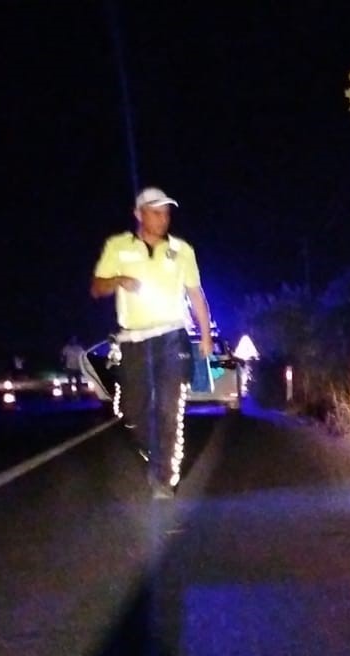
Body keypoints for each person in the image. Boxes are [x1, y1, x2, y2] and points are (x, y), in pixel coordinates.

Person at [90, 186, 213, 499]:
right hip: (133, 340)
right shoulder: (118, 247)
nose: (163, 218)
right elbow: (97, 288)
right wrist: (118, 280)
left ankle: (163, 479)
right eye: (156, 212)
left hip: (172, 336)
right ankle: (155, 453)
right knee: (132, 408)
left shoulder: (182, 250)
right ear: (139, 214)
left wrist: (206, 335)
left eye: (166, 212)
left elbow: (196, 293)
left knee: (170, 408)